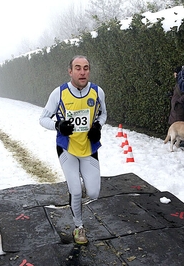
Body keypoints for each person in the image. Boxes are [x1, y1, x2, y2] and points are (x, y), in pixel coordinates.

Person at [39, 55, 107, 245]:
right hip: (67, 148)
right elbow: (42, 118)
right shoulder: (59, 93)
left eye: (86, 68)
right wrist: (58, 125)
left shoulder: (97, 91)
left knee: (93, 193)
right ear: (70, 71)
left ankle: (78, 189)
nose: (82, 72)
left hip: (89, 148)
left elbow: (104, 114)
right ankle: (79, 227)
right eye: (78, 68)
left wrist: (98, 126)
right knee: (76, 191)